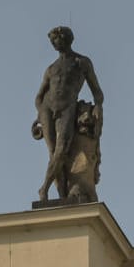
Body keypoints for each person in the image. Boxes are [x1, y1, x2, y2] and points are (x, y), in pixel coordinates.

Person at [34, 26, 104, 204]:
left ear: (67, 40)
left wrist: (97, 108)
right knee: (53, 153)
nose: (56, 43)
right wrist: (38, 114)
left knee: (61, 151)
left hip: (67, 107)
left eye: (58, 39)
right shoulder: (51, 68)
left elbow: (97, 92)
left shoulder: (82, 62)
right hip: (47, 109)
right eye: (53, 41)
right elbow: (40, 95)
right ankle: (62, 194)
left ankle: (44, 188)